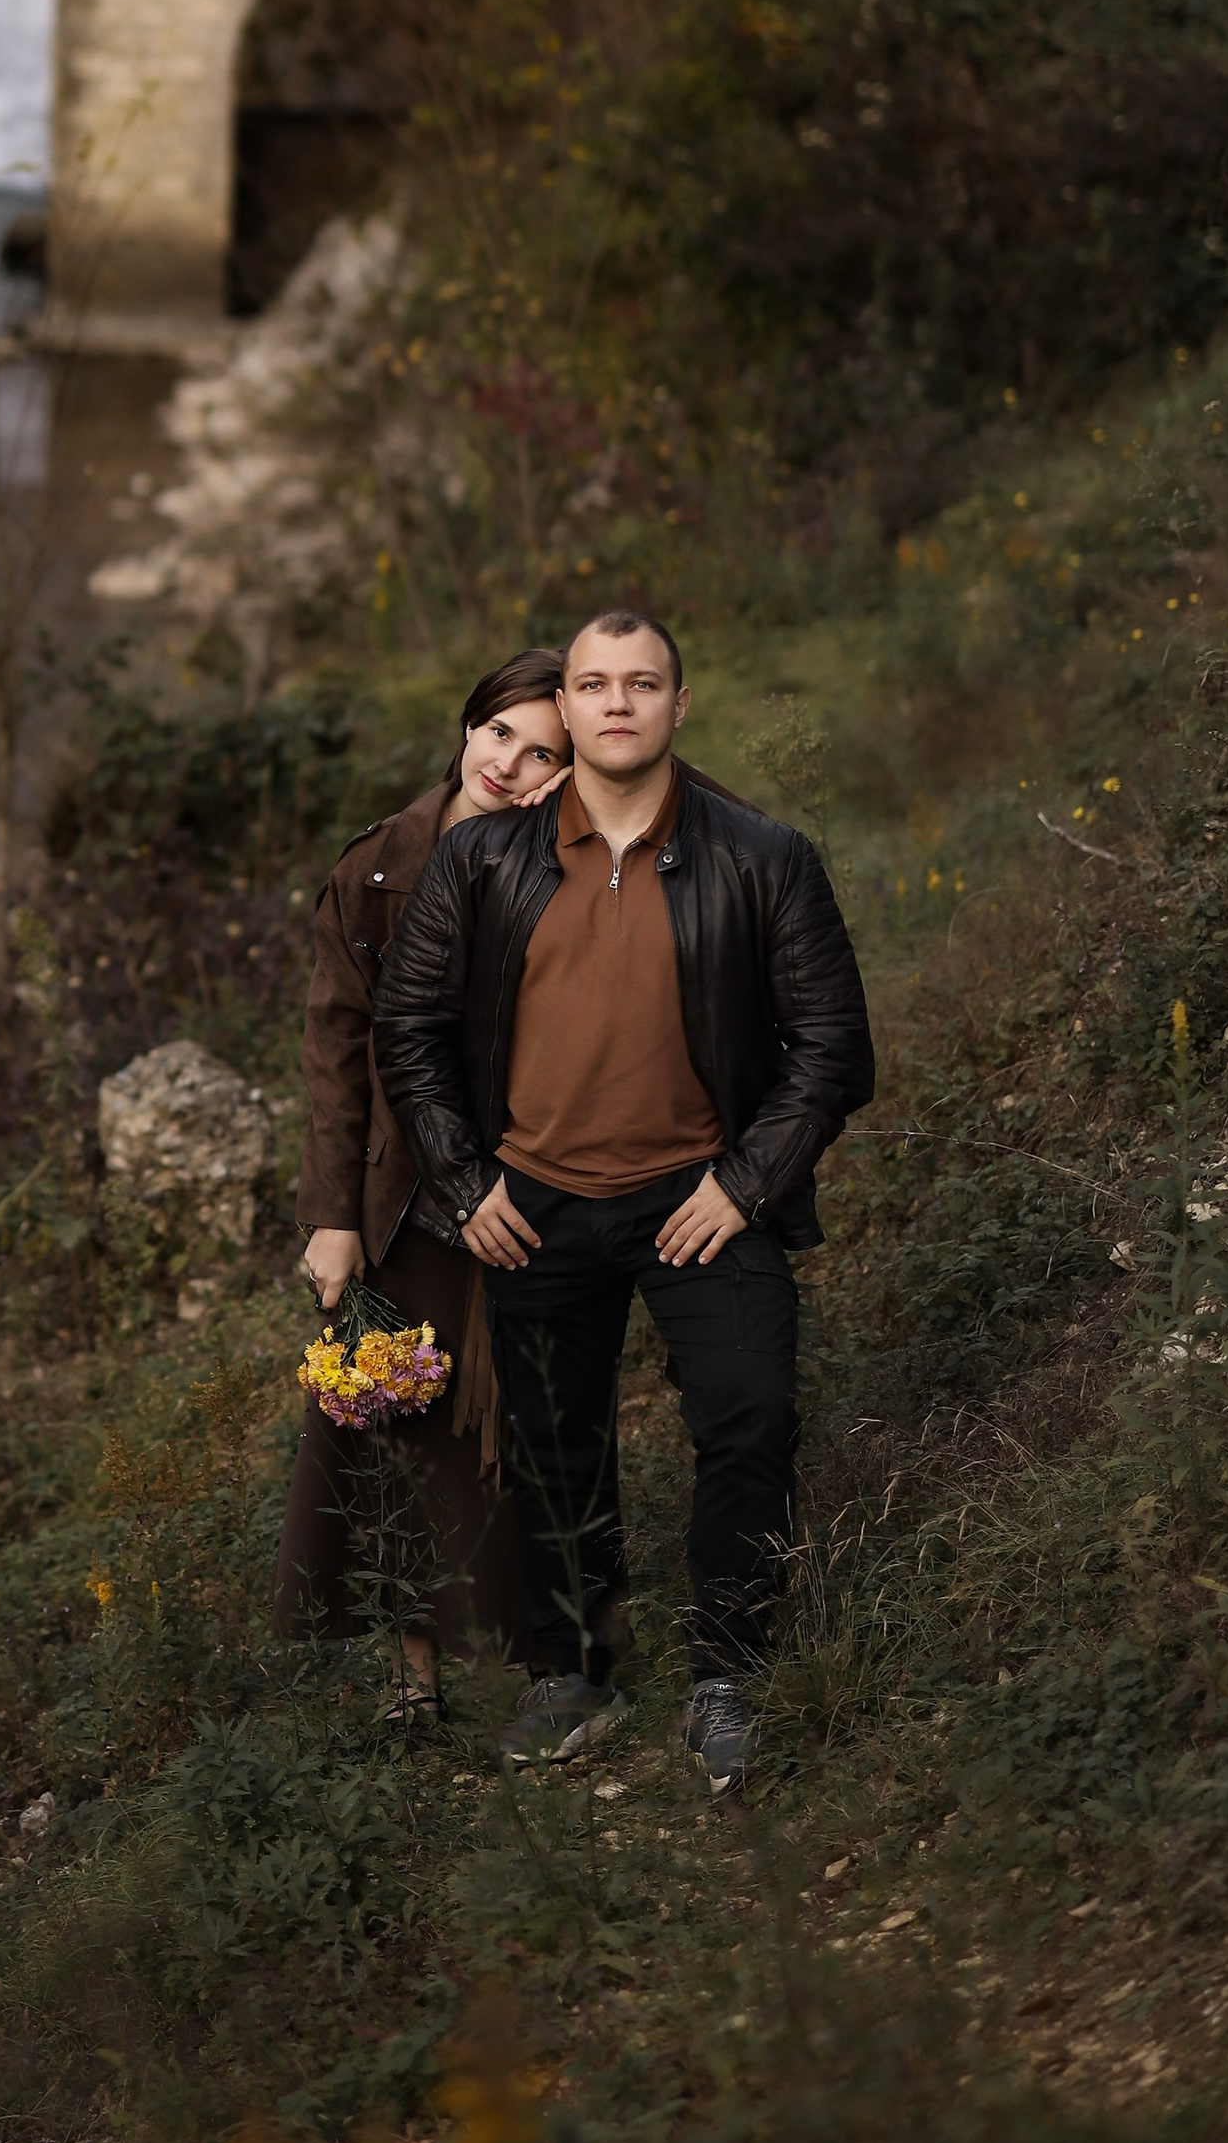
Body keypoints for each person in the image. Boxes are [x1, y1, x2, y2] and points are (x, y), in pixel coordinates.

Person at [373, 608, 874, 1794]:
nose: (613, 703)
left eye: (640, 684)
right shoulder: (481, 859)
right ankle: (573, 1673)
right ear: (573, 707)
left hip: (697, 1198)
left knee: (748, 1420)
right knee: (557, 1446)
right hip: (532, 1202)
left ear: (677, 706)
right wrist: (461, 1179)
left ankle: (727, 1679)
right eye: (592, 685)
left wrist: (745, 1184)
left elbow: (833, 1049)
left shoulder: (762, 856)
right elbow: (408, 1025)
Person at [271, 649, 571, 1718]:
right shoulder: (378, 864)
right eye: (499, 733)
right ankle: (415, 1680)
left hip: (527, 1177)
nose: (509, 761)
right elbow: (332, 1053)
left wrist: (558, 813)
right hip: (399, 1192)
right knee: (397, 1411)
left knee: (515, 1411)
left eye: (544, 750)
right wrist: (330, 1218)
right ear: (467, 725)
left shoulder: (571, 856)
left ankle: (548, 1651)